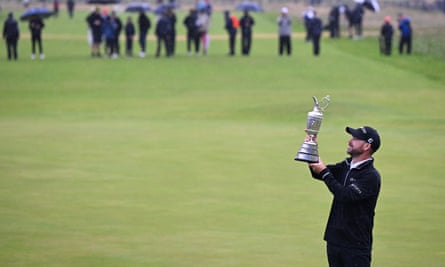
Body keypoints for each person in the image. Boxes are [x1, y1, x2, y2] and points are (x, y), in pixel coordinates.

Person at [307, 126, 382, 267]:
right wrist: (311, 146)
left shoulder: (370, 176)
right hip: (335, 240)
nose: (350, 140)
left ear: (367, 146)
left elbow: (345, 195)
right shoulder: (346, 166)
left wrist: (324, 172)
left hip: (355, 245)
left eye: (355, 138)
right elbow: (317, 172)